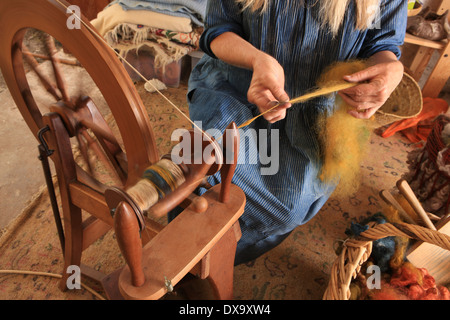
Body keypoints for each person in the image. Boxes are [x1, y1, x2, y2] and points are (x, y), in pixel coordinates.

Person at [185, 0, 407, 265]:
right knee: (203, 174)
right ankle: (187, 252)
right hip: (239, 89)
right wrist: (256, 60)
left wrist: (392, 68)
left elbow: (382, 45)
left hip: (315, 115)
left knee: (286, 208)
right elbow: (218, 30)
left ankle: (219, 257)